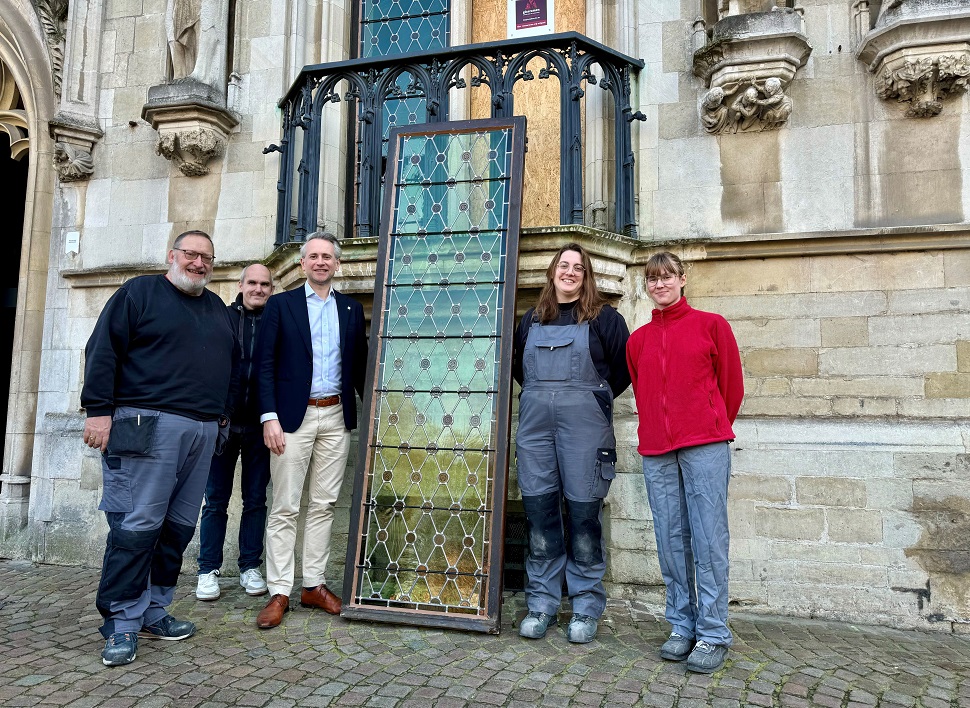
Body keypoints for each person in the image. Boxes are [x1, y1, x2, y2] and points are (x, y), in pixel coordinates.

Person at [82, 230, 238, 667]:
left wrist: (221, 418)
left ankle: (153, 611)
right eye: (191, 254)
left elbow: (231, 367)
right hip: (144, 423)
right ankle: (120, 623)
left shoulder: (216, 309)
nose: (199, 263)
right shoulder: (139, 292)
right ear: (172, 255)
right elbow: (102, 350)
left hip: (202, 432)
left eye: (207, 257)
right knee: (137, 527)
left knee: (177, 528)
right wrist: (97, 411)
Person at [626, 251, 744, 674]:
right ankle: (681, 624)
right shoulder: (637, 340)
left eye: (667, 277)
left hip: (705, 445)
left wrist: (709, 425)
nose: (660, 285)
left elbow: (731, 386)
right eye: (652, 279)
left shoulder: (712, 326)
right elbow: (641, 390)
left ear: (682, 279)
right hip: (657, 450)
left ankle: (713, 633)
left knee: (709, 539)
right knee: (670, 539)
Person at [512, 243, 631, 644]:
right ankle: (542, 603)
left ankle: (584, 605)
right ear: (552, 272)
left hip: (585, 430)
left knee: (583, 518)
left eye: (578, 267)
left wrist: (590, 399)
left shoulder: (605, 320)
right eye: (564, 265)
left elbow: (621, 370)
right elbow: (518, 370)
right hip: (535, 431)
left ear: (586, 275)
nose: (570, 272)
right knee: (541, 514)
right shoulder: (529, 320)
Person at [253, 231, 368, 629]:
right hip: (290, 419)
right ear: (302, 264)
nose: (321, 262)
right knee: (285, 506)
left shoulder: (351, 311)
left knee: (323, 505)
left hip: (336, 418)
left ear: (337, 264)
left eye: (328, 257)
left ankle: (313, 585)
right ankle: (280, 590)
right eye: (313, 256)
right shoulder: (280, 306)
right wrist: (269, 417)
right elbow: (263, 365)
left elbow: (362, 370)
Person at [196, 264, 274, 600]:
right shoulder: (222, 317)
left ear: (272, 289)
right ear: (241, 285)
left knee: (256, 500)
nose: (258, 288)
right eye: (252, 282)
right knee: (215, 501)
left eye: (265, 284)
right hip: (222, 424)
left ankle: (249, 567)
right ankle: (207, 570)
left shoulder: (277, 320)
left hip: (261, 425)